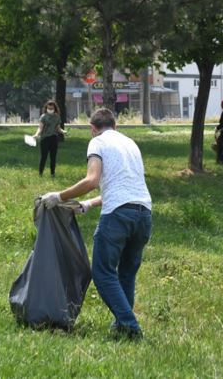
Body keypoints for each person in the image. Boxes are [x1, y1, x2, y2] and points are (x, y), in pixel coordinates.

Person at [40, 108, 152, 339]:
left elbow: (92, 180)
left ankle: (130, 326)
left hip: (118, 217)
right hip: (144, 214)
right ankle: (122, 325)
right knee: (126, 274)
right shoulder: (131, 144)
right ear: (115, 125)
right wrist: (88, 204)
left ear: (93, 129)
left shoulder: (97, 143)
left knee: (102, 274)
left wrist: (59, 196)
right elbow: (124, 187)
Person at [33, 100, 66, 177]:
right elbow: (40, 128)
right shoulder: (43, 117)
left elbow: (58, 128)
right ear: (46, 108)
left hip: (53, 138)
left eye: (51, 108)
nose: (50, 110)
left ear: (54, 108)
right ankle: (40, 173)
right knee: (44, 157)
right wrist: (36, 134)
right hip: (45, 139)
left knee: (53, 157)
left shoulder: (57, 117)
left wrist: (63, 132)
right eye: (49, 108)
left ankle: (52, 173)